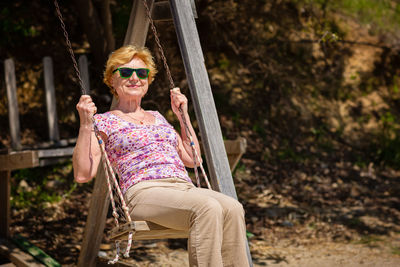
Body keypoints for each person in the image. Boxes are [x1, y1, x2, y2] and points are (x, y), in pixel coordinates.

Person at [72, 45, 249, 267]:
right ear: (112, 81)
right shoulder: (103, 122)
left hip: (183, 188)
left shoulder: (158, 117)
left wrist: (182, 114)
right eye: (126, 72)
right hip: (144, 191)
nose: (135, 78)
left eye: (142, 73)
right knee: (208, 207)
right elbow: (82, 174)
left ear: (148, 80)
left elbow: (193, 159)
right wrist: (86, 124)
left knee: (233, 208)